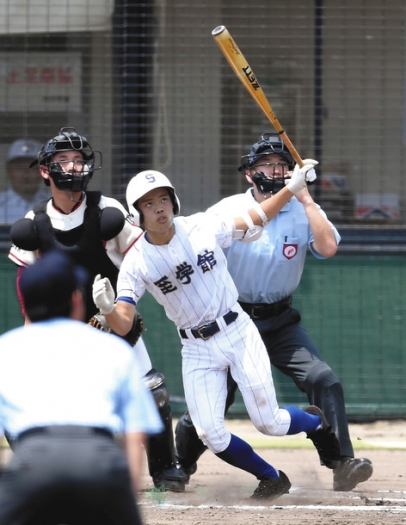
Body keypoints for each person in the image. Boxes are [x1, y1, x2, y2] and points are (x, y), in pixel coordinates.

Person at [92, 166, 341, 502]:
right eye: (149, 204)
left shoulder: (202, 226)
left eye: (163, 199)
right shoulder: (136, 262)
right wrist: (107, 308)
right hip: (196, 348)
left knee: (270, 423)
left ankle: (315, 425)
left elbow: (256, 217)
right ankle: (270, 477)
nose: (159, 207)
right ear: (137, 213)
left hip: (236, 330)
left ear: (174, 202)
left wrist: (291, 188)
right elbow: (123, 323)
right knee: (211, 434)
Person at [175, 132, 373, 492]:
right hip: (232, 321)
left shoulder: (302, 209)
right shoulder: (229, 209)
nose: (277, 170)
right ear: (250, 174)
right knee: (209, 406)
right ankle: (177, 467)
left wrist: (305, 196)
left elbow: (327, 247)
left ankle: (342, 462)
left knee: (323, 379)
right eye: (267, 165)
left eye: (282, 165)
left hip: (280, 320)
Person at [8, 127, 187, 492]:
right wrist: (32, 334)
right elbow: (27, 285)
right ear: (46, 171)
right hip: (58, 329)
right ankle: (39, 471)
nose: (74, 167)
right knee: (22, 391)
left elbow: (140, 262)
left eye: (79, 160)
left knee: (151, 389)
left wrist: (122, 309)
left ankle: (166, 472)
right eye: (64, 161)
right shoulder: (34, 223)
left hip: (112, 322)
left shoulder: (108, 211)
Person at [0, 249, 163, 525]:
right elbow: (136, 432)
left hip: (33, 463)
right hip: (98, 462)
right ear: (77, 300)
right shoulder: (112, 348)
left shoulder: (7, 348)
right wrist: (124, 495)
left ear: (25, 304)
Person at [0, 138, 50, 223]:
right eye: (19, 167)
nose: (25, 174)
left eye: (32, 168)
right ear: (8, 170)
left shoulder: (55, 203)